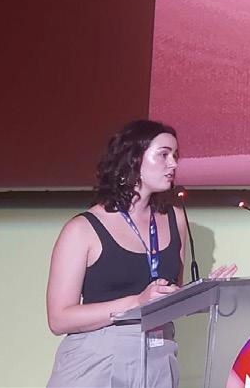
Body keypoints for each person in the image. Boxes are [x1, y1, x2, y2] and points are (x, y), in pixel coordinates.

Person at [46, 120, 237, 388]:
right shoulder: (83, 229)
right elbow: (59, 319)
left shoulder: (175, 218)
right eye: (164, 154)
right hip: (97, 357)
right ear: (133, 159)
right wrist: (136, 302)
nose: (173, 164)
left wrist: (206, 294)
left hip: (159, 355)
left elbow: (168, 298)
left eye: (175, 155)